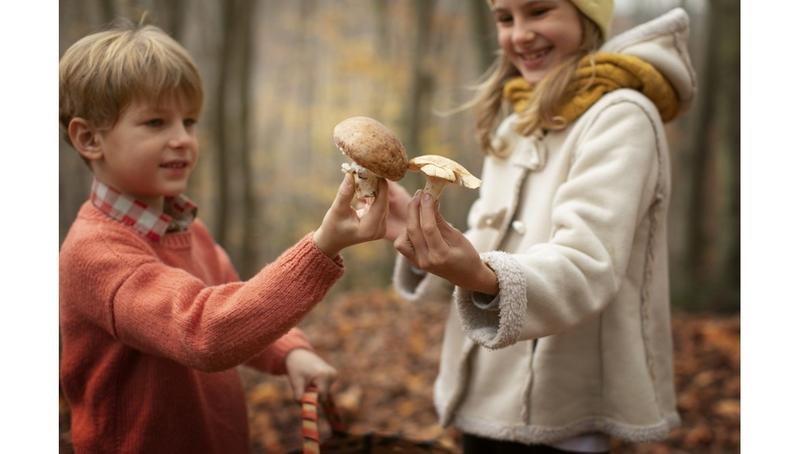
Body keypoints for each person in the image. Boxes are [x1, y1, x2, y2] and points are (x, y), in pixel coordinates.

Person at [59, 21, 388, 453]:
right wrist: (322, 247)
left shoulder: (187, 229)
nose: (182, 139)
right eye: (156, 122)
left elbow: (239, 304)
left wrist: (289, 351)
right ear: (89, 138)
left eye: (189, 121)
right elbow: (205, 331)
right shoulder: (96, 254)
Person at [387, 1, 695, 452]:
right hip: (486, 390)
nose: (520, 34)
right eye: (505, 18)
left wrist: (477, 272)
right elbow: (488, 241)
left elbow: (587, 263)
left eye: (539, 11)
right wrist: (419, 236)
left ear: (587, 17)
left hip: (559, 404)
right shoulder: (516, 124)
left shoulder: (620, 117)